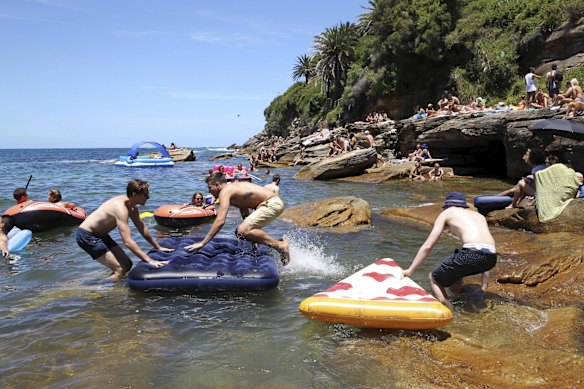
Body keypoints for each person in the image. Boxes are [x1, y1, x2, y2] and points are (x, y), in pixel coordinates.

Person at [402, 192, 497, 308]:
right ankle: (459, 297)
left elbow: (428, 245)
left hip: (471, 254)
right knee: (458, 266)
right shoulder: (479, 216)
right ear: (464, 205)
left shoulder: (447, 213)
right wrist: (484, 286)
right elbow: (483, 250)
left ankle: (450, 309)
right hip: (492, 258)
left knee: (434, 278)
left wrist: (411, 270)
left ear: (447, 206)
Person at [185, 172, 290, 265]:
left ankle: (280, 246)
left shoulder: (225, 191)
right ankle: (278, 243)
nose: (209, 191)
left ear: (217, 185)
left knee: (242, 230)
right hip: (271, 203)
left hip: (271, 204)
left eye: (209, 187)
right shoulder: (235, 189)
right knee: (241, 232)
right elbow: (245, 213)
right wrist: (252, 239)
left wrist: (203, 243)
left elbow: (220, 220)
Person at [75, 179, 170, 281]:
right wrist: (150, 260)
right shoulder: (121, 208)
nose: (148, 197)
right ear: (135, 194)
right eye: (146, 195)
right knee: (119, 269)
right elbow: (127, 241)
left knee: (127, 264)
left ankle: (113, 284)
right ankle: (98, 290)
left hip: (101, 235)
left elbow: (142, 228)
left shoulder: (132, 207)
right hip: (87, 235)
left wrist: (158, 247)